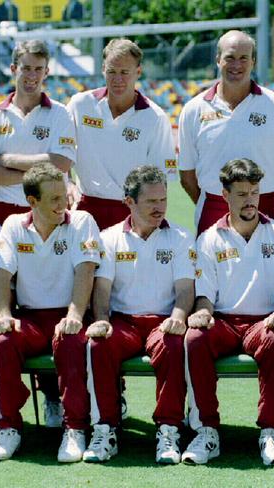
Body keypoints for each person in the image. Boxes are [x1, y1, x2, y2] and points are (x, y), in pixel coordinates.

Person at [0, 163, 101, 461]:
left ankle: (75, 428)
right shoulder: (14, 224)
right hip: (29, 317)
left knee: (69, 342)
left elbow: (86, 271)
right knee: (3, 342)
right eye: (53, 198)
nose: (63, 203)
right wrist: (3, 314)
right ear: (32, 201)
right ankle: (9, 427)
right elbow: (1, 273)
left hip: (69, 313)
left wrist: (75, 316)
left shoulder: (82, 220)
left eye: (64, 195)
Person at [183, 158, 274, 465]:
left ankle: (271, 431)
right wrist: (203, 313)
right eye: (242, 193)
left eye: (255, 192)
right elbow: (205, 296)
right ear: (225, 195)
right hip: (224, 321)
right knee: (194, 338)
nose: (250, 200)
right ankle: (206, 430)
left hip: (264, 320)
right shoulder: (208, 238)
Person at [82, 166, 195, 463]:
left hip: (163, 320)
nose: (159, 208)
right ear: (129, 202)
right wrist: (102, 321)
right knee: (98, 343)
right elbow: (102, 290)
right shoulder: (108, 238)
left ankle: (169, 429)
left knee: (173, 344)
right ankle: (106, 427)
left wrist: (179, 317)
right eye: (151, 202)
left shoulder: (181, 237)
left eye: (163, 200)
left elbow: (185, 290)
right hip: (124, 322)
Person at [178, 30, 274, 234]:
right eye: (230, 58)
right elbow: (187, 175)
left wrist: (258, 199)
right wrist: (221, 199)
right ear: (218, 60)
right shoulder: (193, 109)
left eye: (243, 58)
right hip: (214, 208)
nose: (237, 65)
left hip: (265, 208)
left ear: (253, 61)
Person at [67, 38, 176, 230]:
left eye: (125, 72)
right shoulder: (80, 105)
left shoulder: (155, 117)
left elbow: (161, 177)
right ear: (103, 69)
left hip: (132, 213)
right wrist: (67, 182)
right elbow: (59, 151)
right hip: (85, 209)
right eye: (112, 72)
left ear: (138, 72)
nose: (118, 79)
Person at [0, 40, 75, 227]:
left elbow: (61, 163)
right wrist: (37, 177)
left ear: (46, 72)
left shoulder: (61, 113)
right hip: (1, 213)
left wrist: (7, 161)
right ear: (13, 69)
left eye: (38, 69)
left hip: (47, 210)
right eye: (26, 68)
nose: (32, 75)